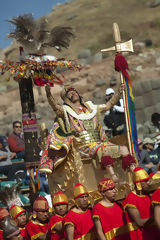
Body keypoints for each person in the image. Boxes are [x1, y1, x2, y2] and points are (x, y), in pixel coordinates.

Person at [40, 84, 136, 184]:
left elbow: (108, 106)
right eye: (69, 93)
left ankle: (135, 173)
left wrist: (119, 93)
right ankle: (113, 177)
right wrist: (48, 94)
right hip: (83, 146)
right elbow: (55, 107)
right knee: (104, 150)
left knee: (124, 149)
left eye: (74, 91)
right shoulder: (66, 111)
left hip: (99, 143)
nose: (73, 93)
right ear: (66, 99)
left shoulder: (91, 107)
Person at [123, 167, 159, 240]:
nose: (148, 183)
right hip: (142, 236)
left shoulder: (149, 194)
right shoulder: (130, 199)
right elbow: (140, 222)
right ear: (138, 183)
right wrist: (157, 217)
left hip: (155, 232)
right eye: (145, 181)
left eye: (148, 180)